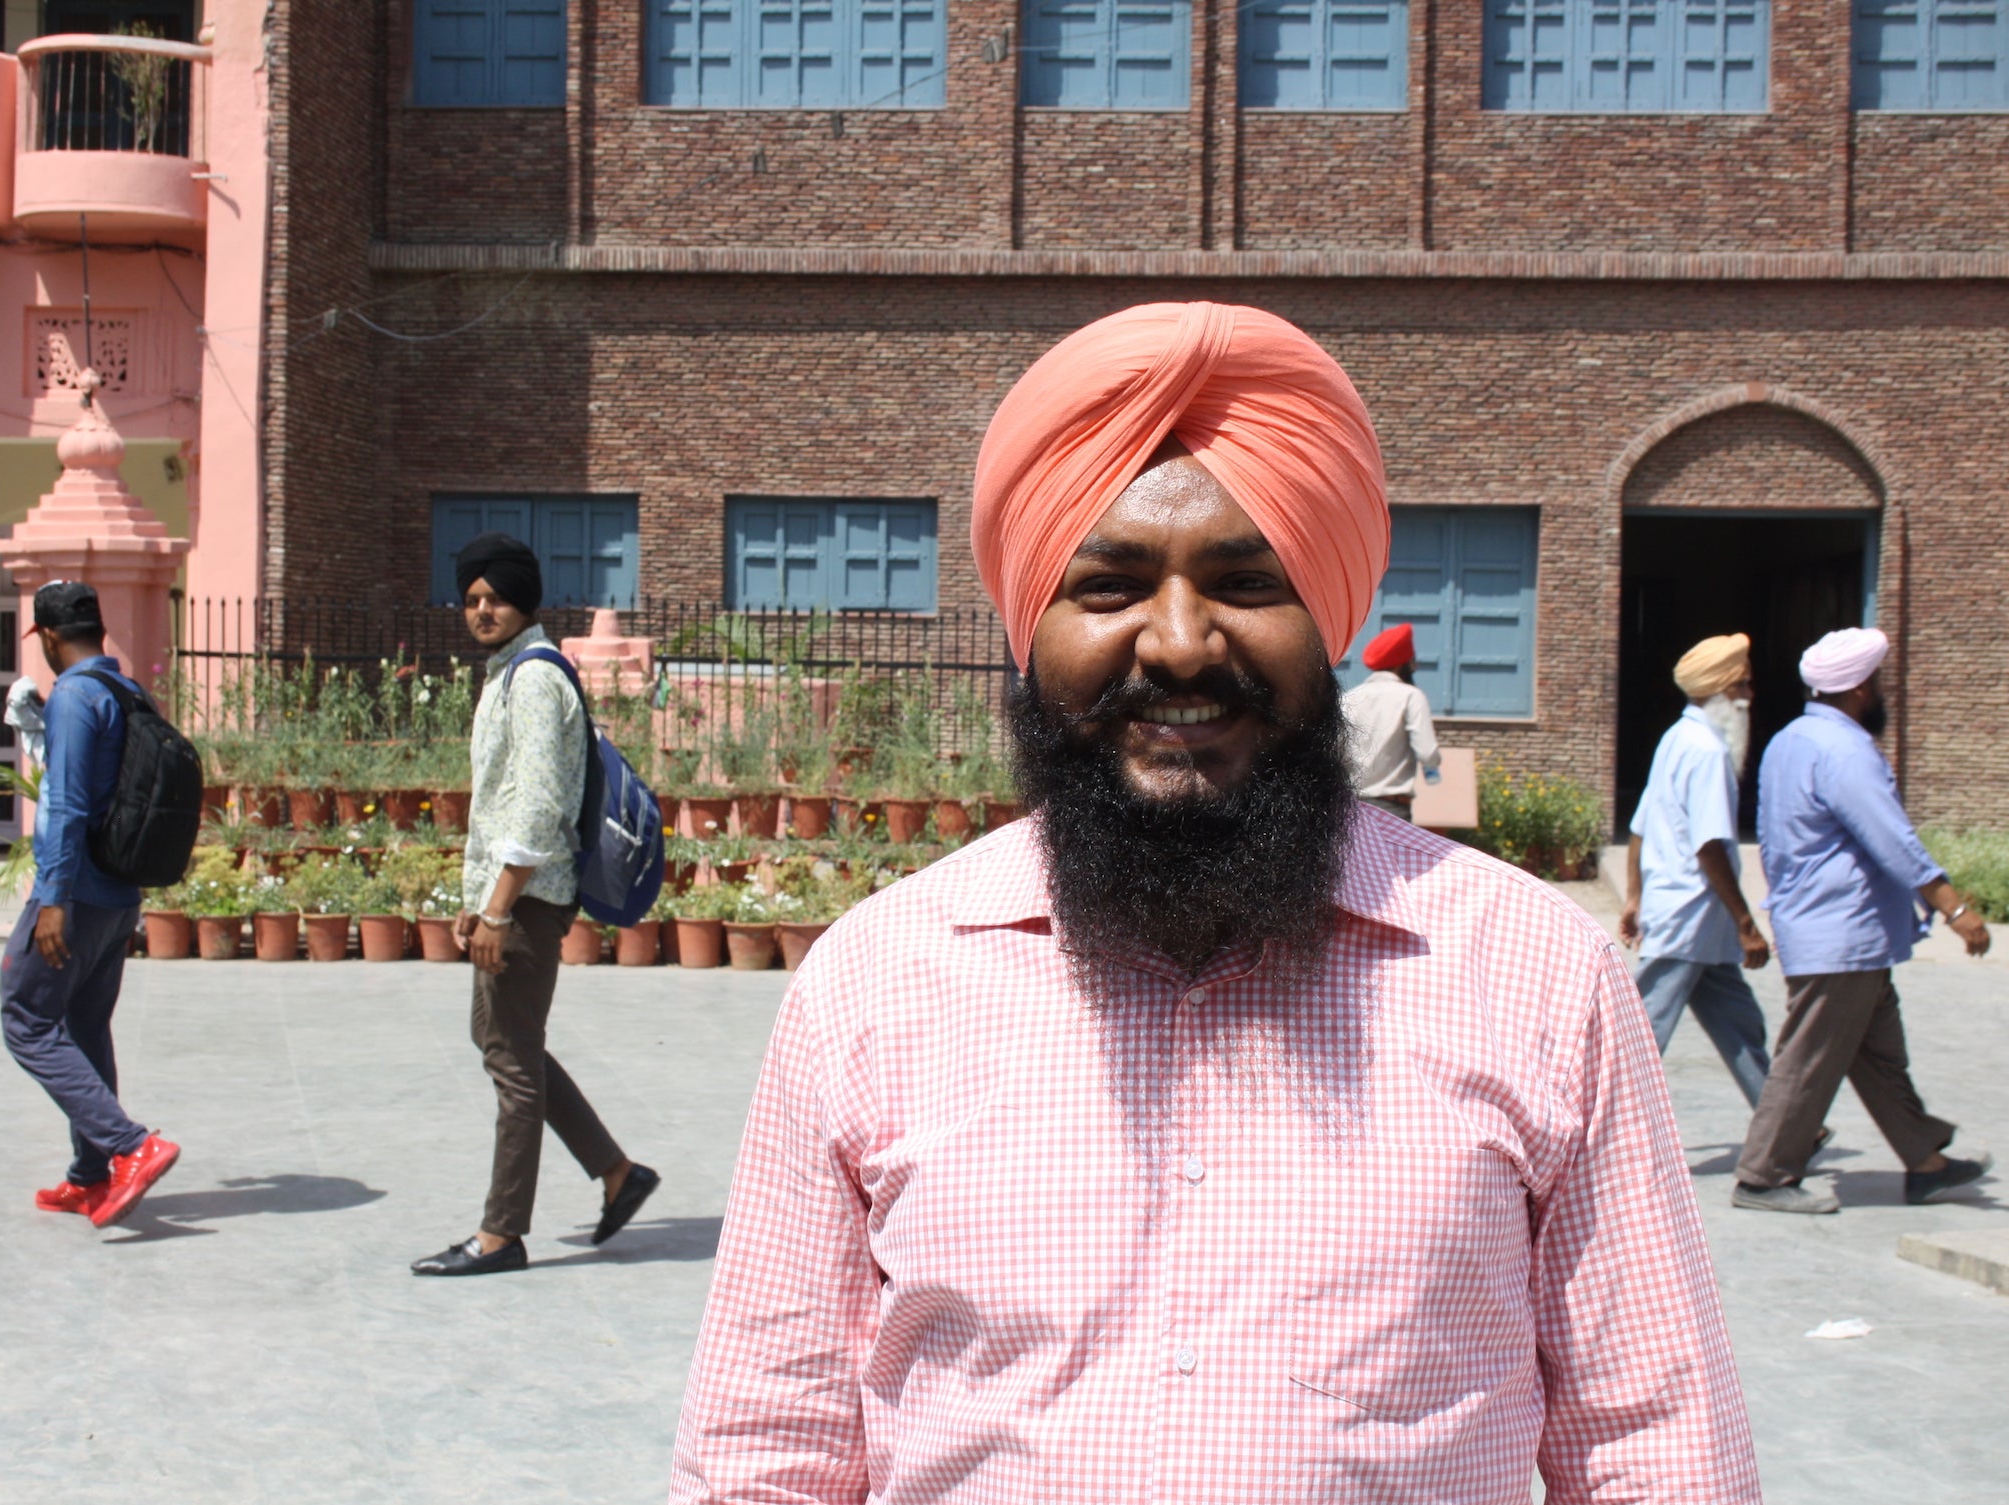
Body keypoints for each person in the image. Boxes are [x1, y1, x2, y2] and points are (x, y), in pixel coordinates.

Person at [672, 303, 1758, 1503]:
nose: (1181, 643)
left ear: (1325, 620)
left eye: (1246, 581)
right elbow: (765, 1448)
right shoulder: (873, 981)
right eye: (1109, 586)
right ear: (1030, 626)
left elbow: (1652, 1446)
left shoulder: (1537, 975)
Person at [410, 534, 659, 1276]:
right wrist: (475, 899)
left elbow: (539, 808)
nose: (483, 610)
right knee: (507, 1043)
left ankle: (501, 1234)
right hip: (509, 899)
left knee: (512, 1063)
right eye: (472, 600)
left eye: (497, 597)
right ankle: (618, 1173)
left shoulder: (536, 679)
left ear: (527, 600)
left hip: (527, 902)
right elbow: (499, 802)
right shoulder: (508, 674)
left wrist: (498, 908)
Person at [1734, 627, 1994, 1215]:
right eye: (1876, 684)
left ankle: (1924, 1159)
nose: (1880, 694)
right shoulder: (1846, 751)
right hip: (1839, 933)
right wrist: (1954, 909)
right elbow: (1893, 840)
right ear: (1857, 689)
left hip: (1839, 931)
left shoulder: (1790, 740)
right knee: (1808, 1058)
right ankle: (1763, 1176)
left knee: (1877, 1054)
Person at [2, 581, 179, 1229]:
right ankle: (91, 1173)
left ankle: (131, 1145)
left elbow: (69, 802)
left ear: (49, 637)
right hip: (117, 894)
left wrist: (51, 898)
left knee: (24, 1017)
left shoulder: (76, 693)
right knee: (83, 1025)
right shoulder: (127, 690)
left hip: (74, 895)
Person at [1619, 633, 1774, 1107]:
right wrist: (1747, 924)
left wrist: (1635, 895)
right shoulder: (1706, 752)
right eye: (1743, 687)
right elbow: (1710, 846)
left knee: (1739, 1026)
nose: (1750, 697)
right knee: (1640, 1037)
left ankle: (1784, 1126)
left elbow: (1641, 825)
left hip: (1695, 919)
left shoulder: (1676, 738)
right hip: (1689, 914)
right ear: (1722, 692)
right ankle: (1590, 1141)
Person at [1341, 621, 1440, 818]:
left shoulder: (1349, 698)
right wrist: (1433, 768)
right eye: (1412, 662)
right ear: (1401, 664)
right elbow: (1427, 752)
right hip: (1392, 807)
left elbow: (1337, 752)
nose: (1415, 666)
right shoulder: (1411, 696)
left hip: (1351, 806)